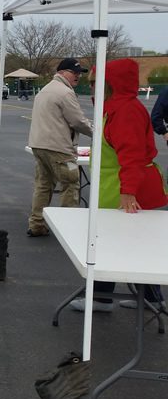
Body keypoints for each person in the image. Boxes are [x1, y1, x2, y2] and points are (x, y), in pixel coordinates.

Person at [70, 59, 168, 312]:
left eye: (96, 84)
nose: (92, 89)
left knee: (126, 243)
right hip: (114, 187)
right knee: (118, 242)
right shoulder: (113, 108)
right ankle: (144, 298)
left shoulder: (125, 111)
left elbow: (132, 156)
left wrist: (128, 191)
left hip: (127, 190)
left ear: (111, 85)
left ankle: (109, 298)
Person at [26, 58, 93, 237]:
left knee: (43, 184)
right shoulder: (65, 92)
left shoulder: (45, 90)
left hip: (39, 145)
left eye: (79, 73)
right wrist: (98, 132)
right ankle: (68, 228)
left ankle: (37, 223)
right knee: (70, 184)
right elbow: (78, 121)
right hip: (59, 147)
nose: (77, 76)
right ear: (62, 72)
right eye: (74, 72)